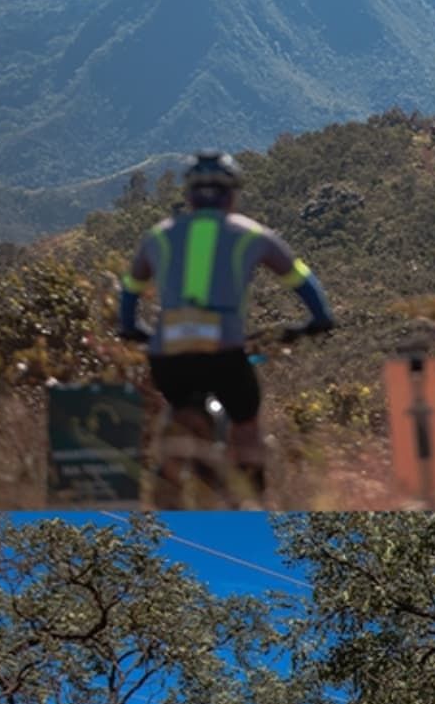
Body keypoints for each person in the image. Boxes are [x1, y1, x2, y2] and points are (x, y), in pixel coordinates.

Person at [118, 150, 334, 495]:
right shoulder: (251, 234)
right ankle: (249, 503)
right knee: (245, 423)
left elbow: (130, 287)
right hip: (224, 352)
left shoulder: (158, 235)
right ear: (232, 194)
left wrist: (129, 326)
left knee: (177, 408)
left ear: (189, 195)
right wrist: (319, 319)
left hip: (168, 355)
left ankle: (168, 482)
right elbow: (300, 278)